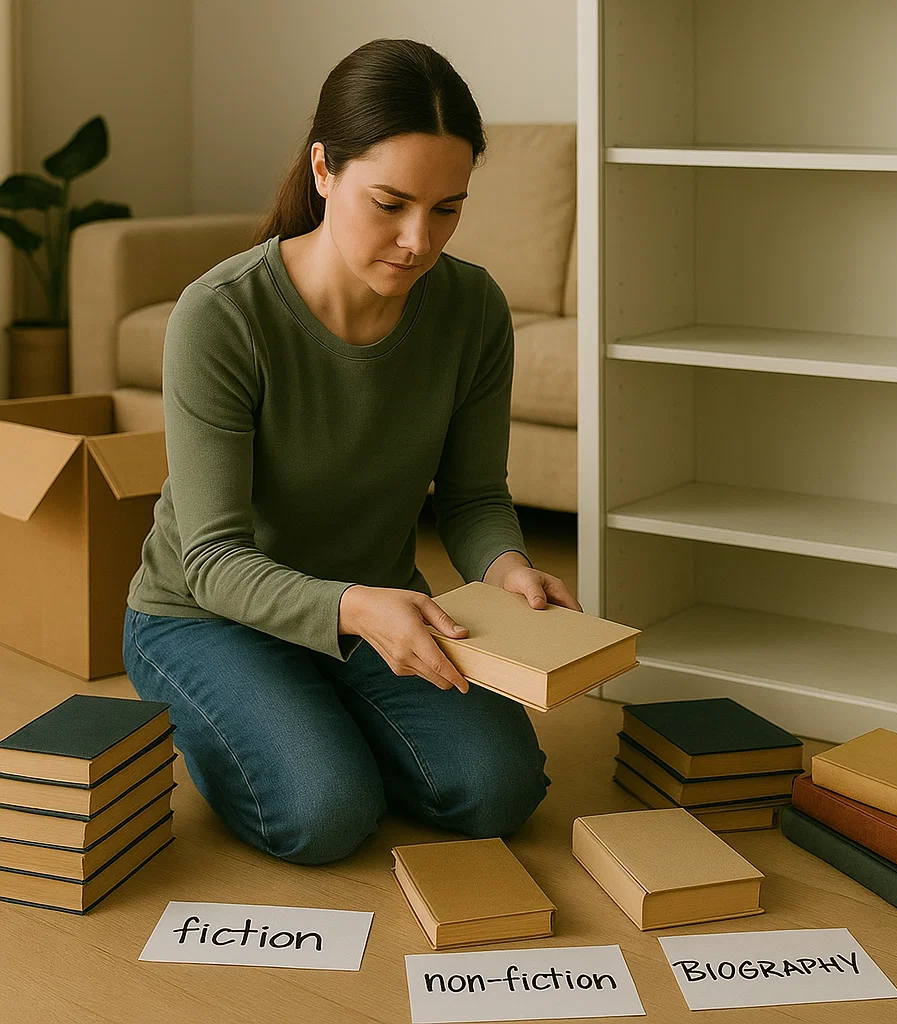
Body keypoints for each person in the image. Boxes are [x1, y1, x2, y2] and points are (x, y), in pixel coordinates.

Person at [122, 38, 581, 866]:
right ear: (324, 170)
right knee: (325, 815)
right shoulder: (222, 316)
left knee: (499, 791)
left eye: (447, 209)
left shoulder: (473, 308)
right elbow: (212, 561)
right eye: (391, 203)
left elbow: (474, 497)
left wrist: (507, 568)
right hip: (206, 616)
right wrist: (356, 611)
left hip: (376, 603)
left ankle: (321, 717)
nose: (418, 241)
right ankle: (248, 720)